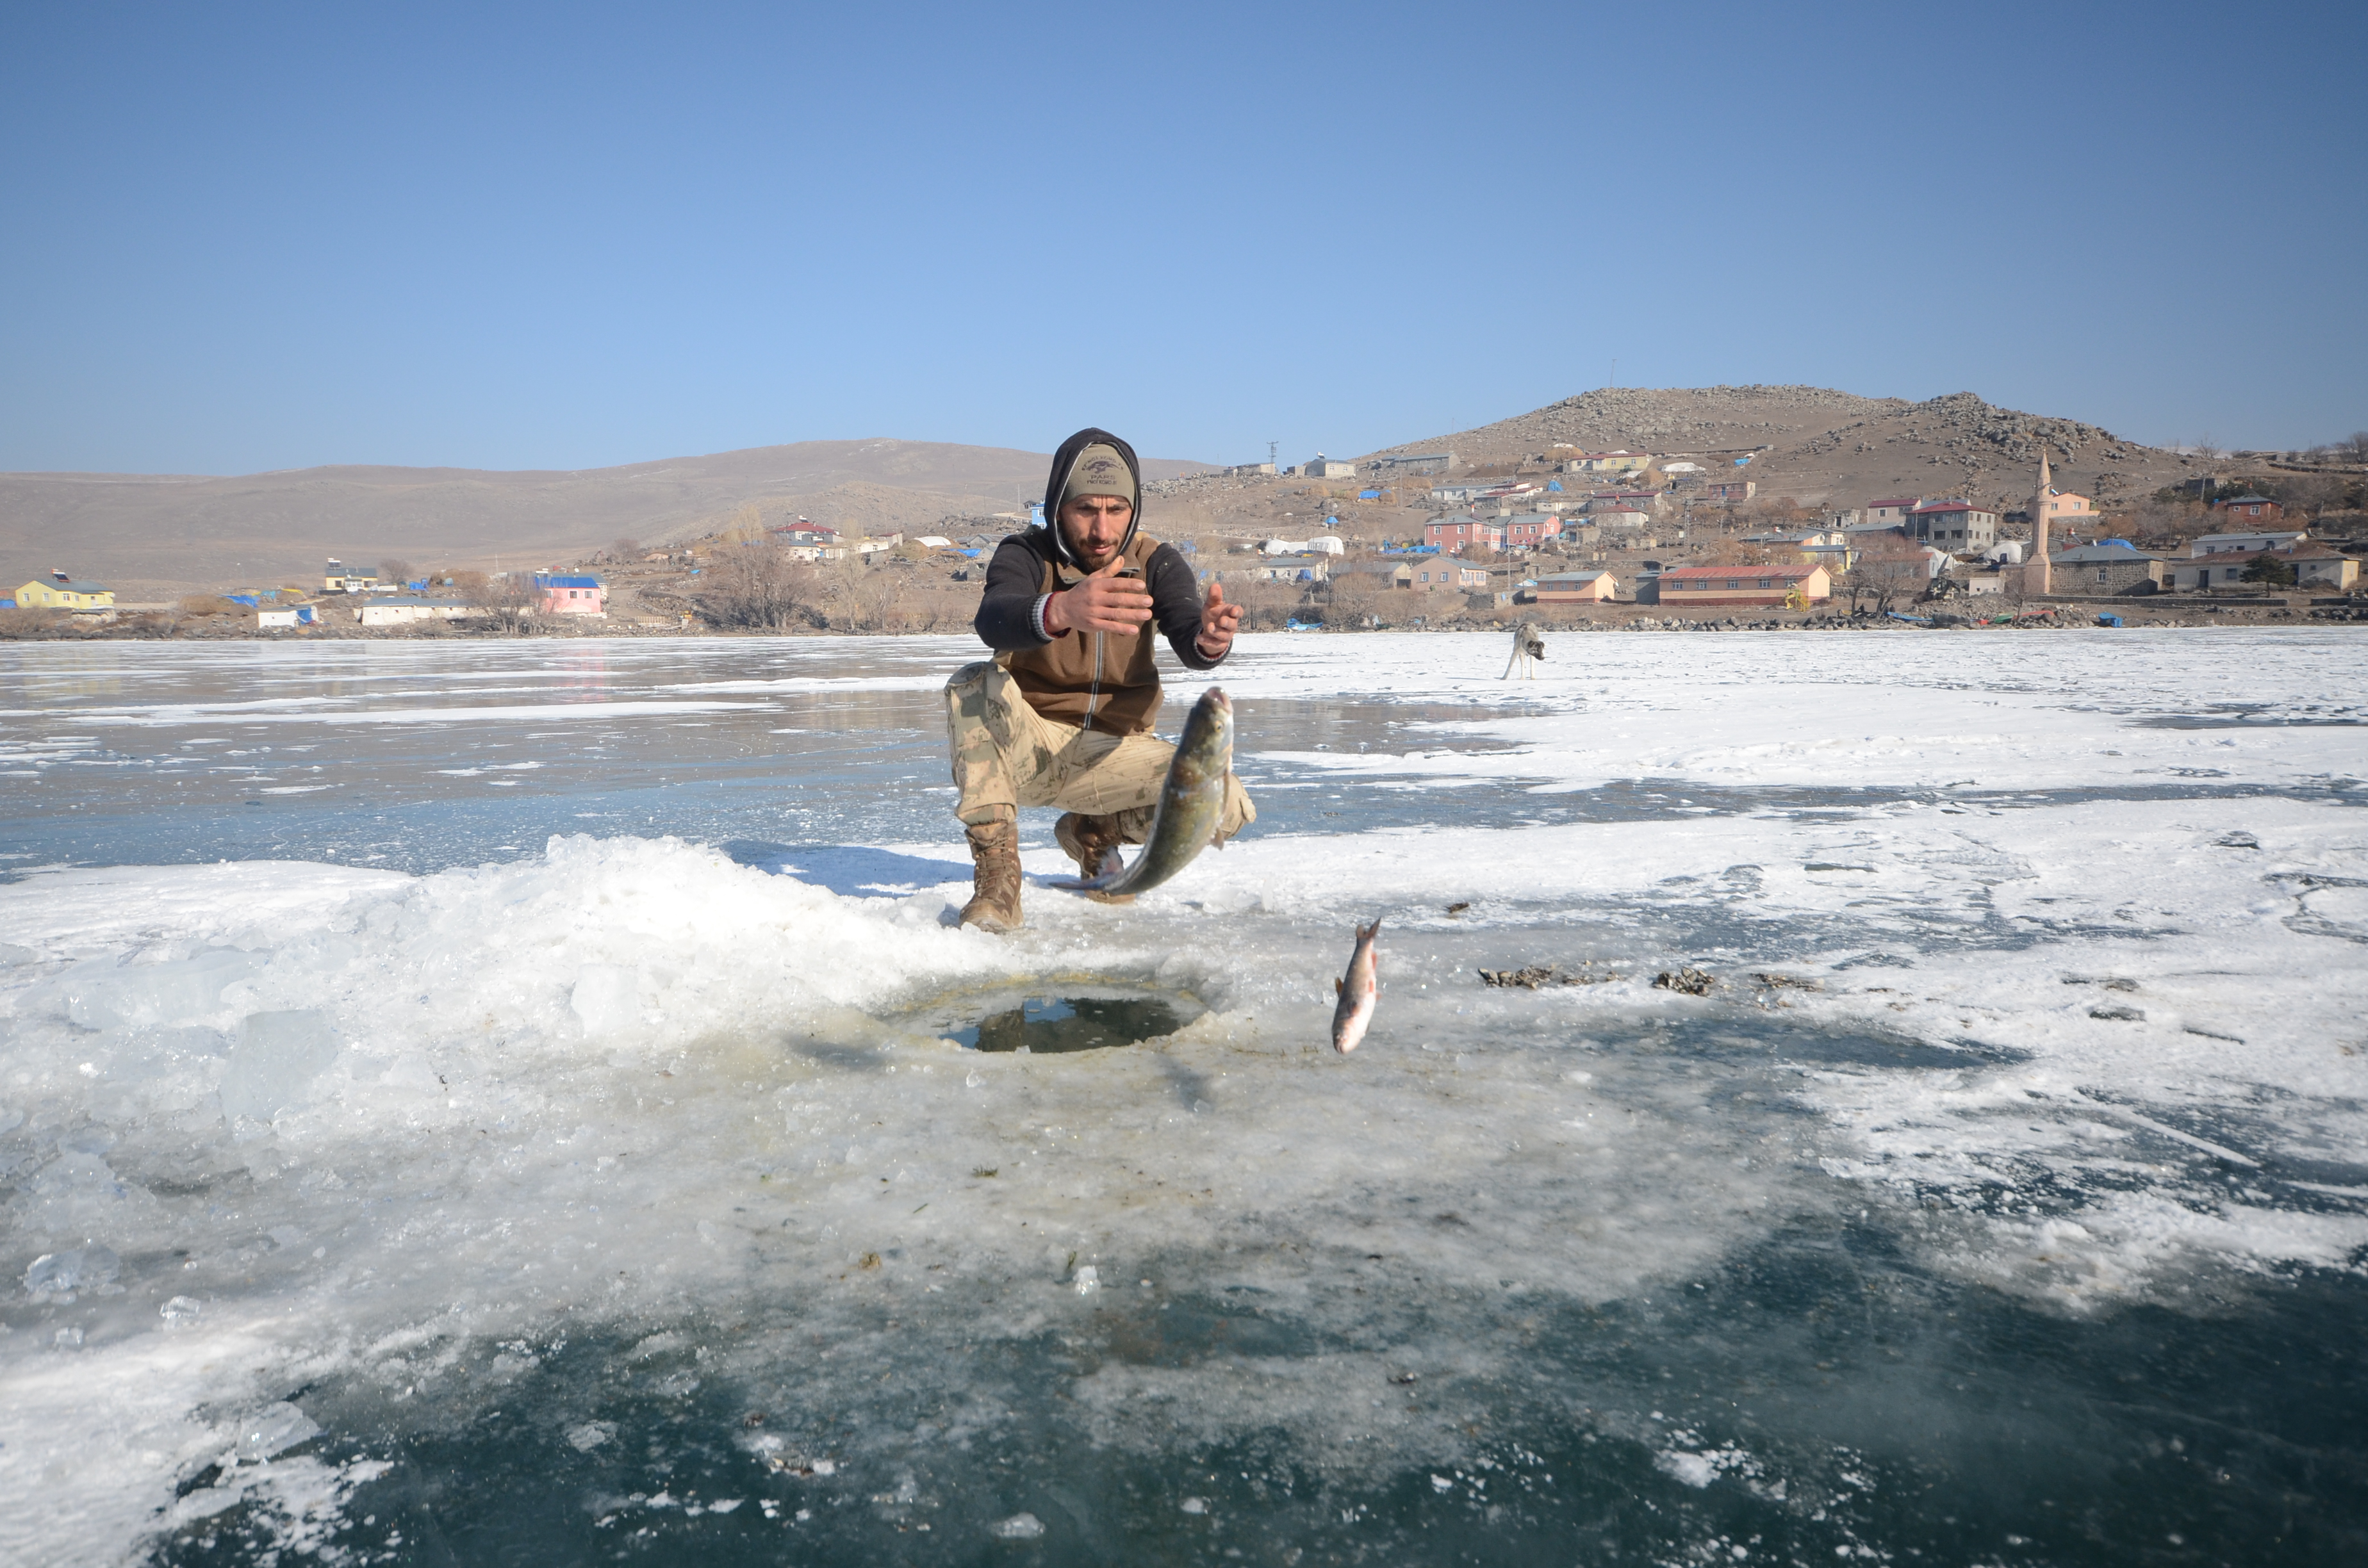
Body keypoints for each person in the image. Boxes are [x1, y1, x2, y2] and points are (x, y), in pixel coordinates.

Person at [944, 427, 1254, 931]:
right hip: (1030, 746)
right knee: (974, 683)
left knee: (1225, 803)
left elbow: (1187, 629)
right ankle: (998, 883)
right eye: (1086, 508)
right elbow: (993, 618)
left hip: (1115, 754)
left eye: (1117, 510)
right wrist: (1061, 608)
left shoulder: (1156, 562)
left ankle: (1094, 831)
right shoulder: (1025, 554)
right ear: (1057, 507)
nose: (1102, 530)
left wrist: (1210, 641)